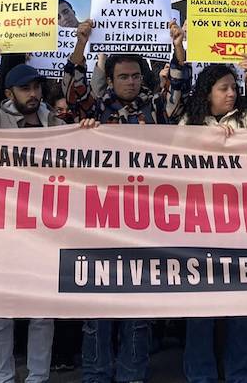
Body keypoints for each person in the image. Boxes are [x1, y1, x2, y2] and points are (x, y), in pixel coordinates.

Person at [64, 21, 187, 383]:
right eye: (123, 77)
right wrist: (81, 43)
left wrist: (177, 45)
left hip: (143, 218)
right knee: (96, 309)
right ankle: (96, 374)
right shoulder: (97, 109)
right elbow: (72, 90)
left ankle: (133, 374)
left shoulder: (154, 108)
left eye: (135, 76)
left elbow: (178, 89)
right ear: (112, 79)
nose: (131, 82)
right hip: (99, 219)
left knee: (136, 309)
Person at [180, 59, 247, 383]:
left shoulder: (246, 119)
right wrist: (206, 139)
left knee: (239, 312)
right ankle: (200, 376)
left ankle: (239, 376)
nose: (231, 94)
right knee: (200, 315)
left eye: (234, 87)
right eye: (224, 89)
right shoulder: (189, 123)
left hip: (240, 230)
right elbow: (172, 160)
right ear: (207, 94)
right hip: (201, 229)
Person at [0, 47, 58, 383]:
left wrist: (86, 131)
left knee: (42, 314)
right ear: (9, 94)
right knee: (1, 314)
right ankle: (4, 378)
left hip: (47, 231)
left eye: (36, 88)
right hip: (4, 231)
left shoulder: (58, 125)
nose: (33, 94)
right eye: (25, 89)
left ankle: (38, 377)